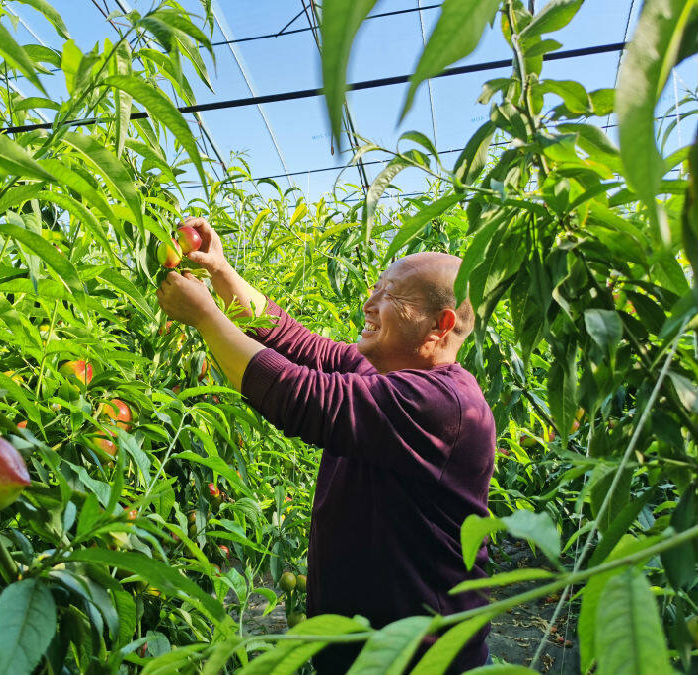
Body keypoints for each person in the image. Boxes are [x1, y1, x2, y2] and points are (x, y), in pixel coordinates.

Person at [156, 217, 495, 674]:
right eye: (375, 288)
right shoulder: (388, 372)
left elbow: (297, 395)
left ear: (441, 325)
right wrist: (220, 271)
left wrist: (204, 317)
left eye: (389, 295)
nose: (368, 302)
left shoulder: (442, 404)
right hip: (361, 648)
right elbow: (290, 338)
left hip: (417, 659)